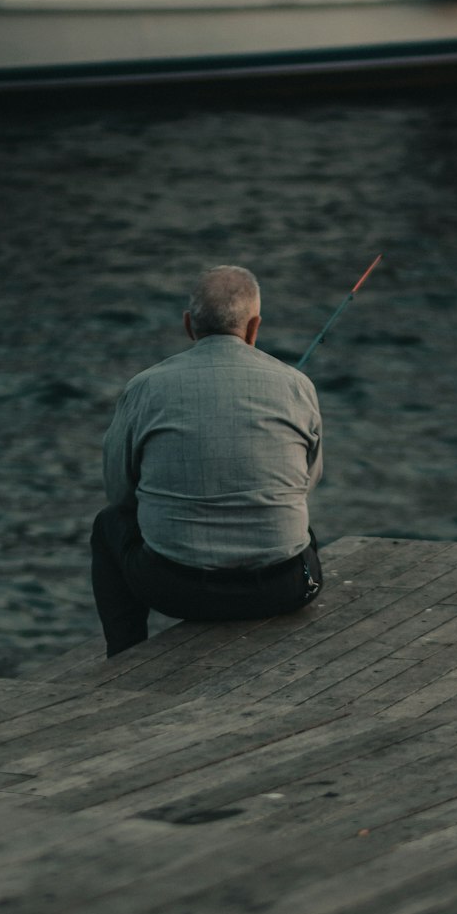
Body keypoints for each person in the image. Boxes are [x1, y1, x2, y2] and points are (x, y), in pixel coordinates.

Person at [91, 265, 324, 657]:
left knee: (107, 524)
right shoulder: (296, 385)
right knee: (304, 529)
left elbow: (119, 493)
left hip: (176, 591)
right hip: (283, 591)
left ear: (188, 325)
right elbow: (306, 481)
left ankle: (123, 655)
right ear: (254, 328)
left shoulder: (145, 387)